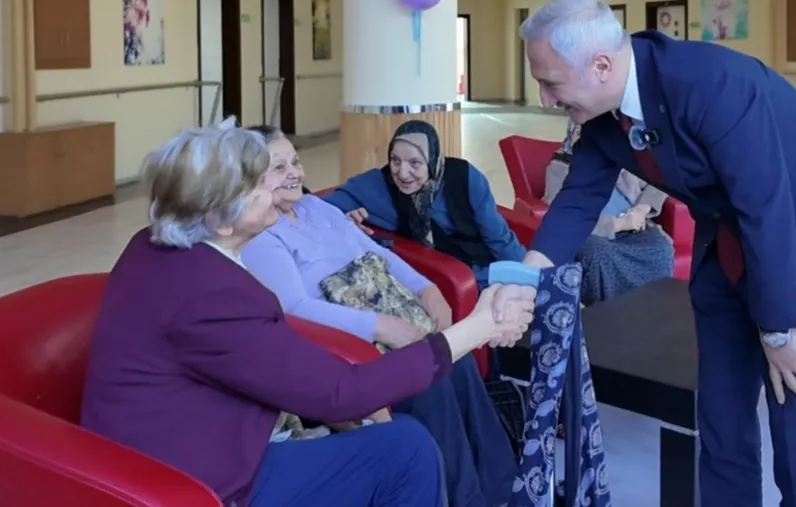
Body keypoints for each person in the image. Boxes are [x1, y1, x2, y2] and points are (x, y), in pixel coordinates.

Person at [514, 0, 796, 507]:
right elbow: (579, 197)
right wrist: (522, 280)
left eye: (550, 83)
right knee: (721, 421)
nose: (544, 99)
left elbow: (766, 207)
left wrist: (779, 328)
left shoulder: (712, 83)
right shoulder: (606, 112)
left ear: (601, 66)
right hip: (730, 247)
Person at [80, 121, 535, 507]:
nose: (275, 185)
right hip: (202, 476)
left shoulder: (162, 246)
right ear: (220, 219)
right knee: (408, 447)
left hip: (210, 429)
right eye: (258, 182)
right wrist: (478, 327)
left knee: (412, 422)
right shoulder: (209, 292)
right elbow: (339, 390)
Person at [242, 125, 518, 507]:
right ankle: (466, 499)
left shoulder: (315, 207)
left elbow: (378, 253)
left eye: (295, 162)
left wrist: (427, 288)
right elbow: (295, 309)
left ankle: (505, 488)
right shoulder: (261, 236)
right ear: (251, 178)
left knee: (460, 360)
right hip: (349, 346)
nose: (294, 173)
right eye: (279, 167)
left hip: (391, 320)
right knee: (430, 382)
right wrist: (384, 328)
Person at [323, 119, 526, 289]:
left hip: (489, 265)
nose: (402, 174)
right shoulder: (377, 186)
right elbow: (318, 207)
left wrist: (527, 272)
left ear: (433, 160)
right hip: (450, 278)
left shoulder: (465, 177)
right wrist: (344, 219)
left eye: (415, 163)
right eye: (395, 161)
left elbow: (498, 237)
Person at [545, 118, 675, 304]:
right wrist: (617, 224)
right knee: (597, 253)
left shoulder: (622, 158)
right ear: (572, 135)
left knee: (661, 248)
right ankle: (612, 311)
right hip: (595, 234)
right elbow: (561, 216)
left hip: (632, 230)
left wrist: (641, 209)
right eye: (581, 133)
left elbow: (658, 181)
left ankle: (653, 308)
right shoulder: (560, 166)